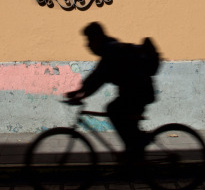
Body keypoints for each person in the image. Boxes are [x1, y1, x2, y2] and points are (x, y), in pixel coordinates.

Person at [65, 22, 158, 162]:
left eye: (89, 40)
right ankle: (135, 161)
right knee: (128, 127)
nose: (88, 45)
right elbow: (97, 76)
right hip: (136, 91)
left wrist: (81, 92)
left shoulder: (111, 51)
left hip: (138, 91)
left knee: (114, 109)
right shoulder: (109, 49)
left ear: (97, 38)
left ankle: (137, 148)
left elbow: (99, 77)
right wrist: (81, 91)